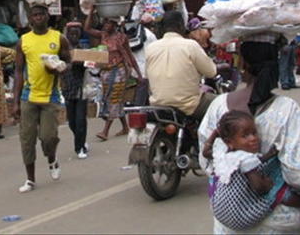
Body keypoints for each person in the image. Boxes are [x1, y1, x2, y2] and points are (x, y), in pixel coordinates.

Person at [199, 35, 300, 234]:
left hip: (230, 221)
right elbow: (297, 171)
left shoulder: (218, 105)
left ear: (242, 63)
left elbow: (207, 164)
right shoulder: (286, 109)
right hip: (278, 219)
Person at [202, 110, 300, 232]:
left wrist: (215, 133)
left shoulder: (222, 152)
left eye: (254, 133)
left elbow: (206, 152)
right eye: (245, 136)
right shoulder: (245, 158)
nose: (253, 138)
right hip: (240, 218)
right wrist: (268, 185)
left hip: (219, 211)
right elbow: (259, 186)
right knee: (277, 192)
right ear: (230, 142)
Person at [12, 5, 71, 193]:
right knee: (27, 139)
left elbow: (69, 62)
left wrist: (58, 68)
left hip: (50, 97)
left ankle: (52, 159)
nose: (38, 17)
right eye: (34, 15)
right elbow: (19, 71)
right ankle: (30, 179)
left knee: (48, 137)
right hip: (28, 96)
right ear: (30, 18)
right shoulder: (23, 41)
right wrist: (15, 102)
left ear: (47, 16)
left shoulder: (58, 38)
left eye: (41, 14)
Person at [145, 11, 217, 123]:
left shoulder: (151, 48)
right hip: (188, 105)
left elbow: (147, 75)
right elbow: (211, 72)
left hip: (158, 104)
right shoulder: (190, 45)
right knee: (220, 103)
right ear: (181, 25)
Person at [84, 10, 144, 141]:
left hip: (119, 71)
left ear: (115, 24)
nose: (105, 25)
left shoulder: (122, 38)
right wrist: (91, 11)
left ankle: (105, 130)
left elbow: (130, 56)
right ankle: (125, 127)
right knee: (110, 98)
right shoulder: (103, 35)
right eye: (105, 22)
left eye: (108, 23)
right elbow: (87, 28)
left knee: (114, 99)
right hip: (106, 71)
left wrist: (138, 75)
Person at [60, 22, 89, 159]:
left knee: (80, 120)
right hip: (68, 88)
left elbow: (91, 63)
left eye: (76, 34)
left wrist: (83, 62)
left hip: (81, 88)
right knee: (72, 121)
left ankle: (80, 147)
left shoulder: (83, 48)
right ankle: (80, 138)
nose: (74, 36)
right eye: (71, 34)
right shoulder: (62, 50)